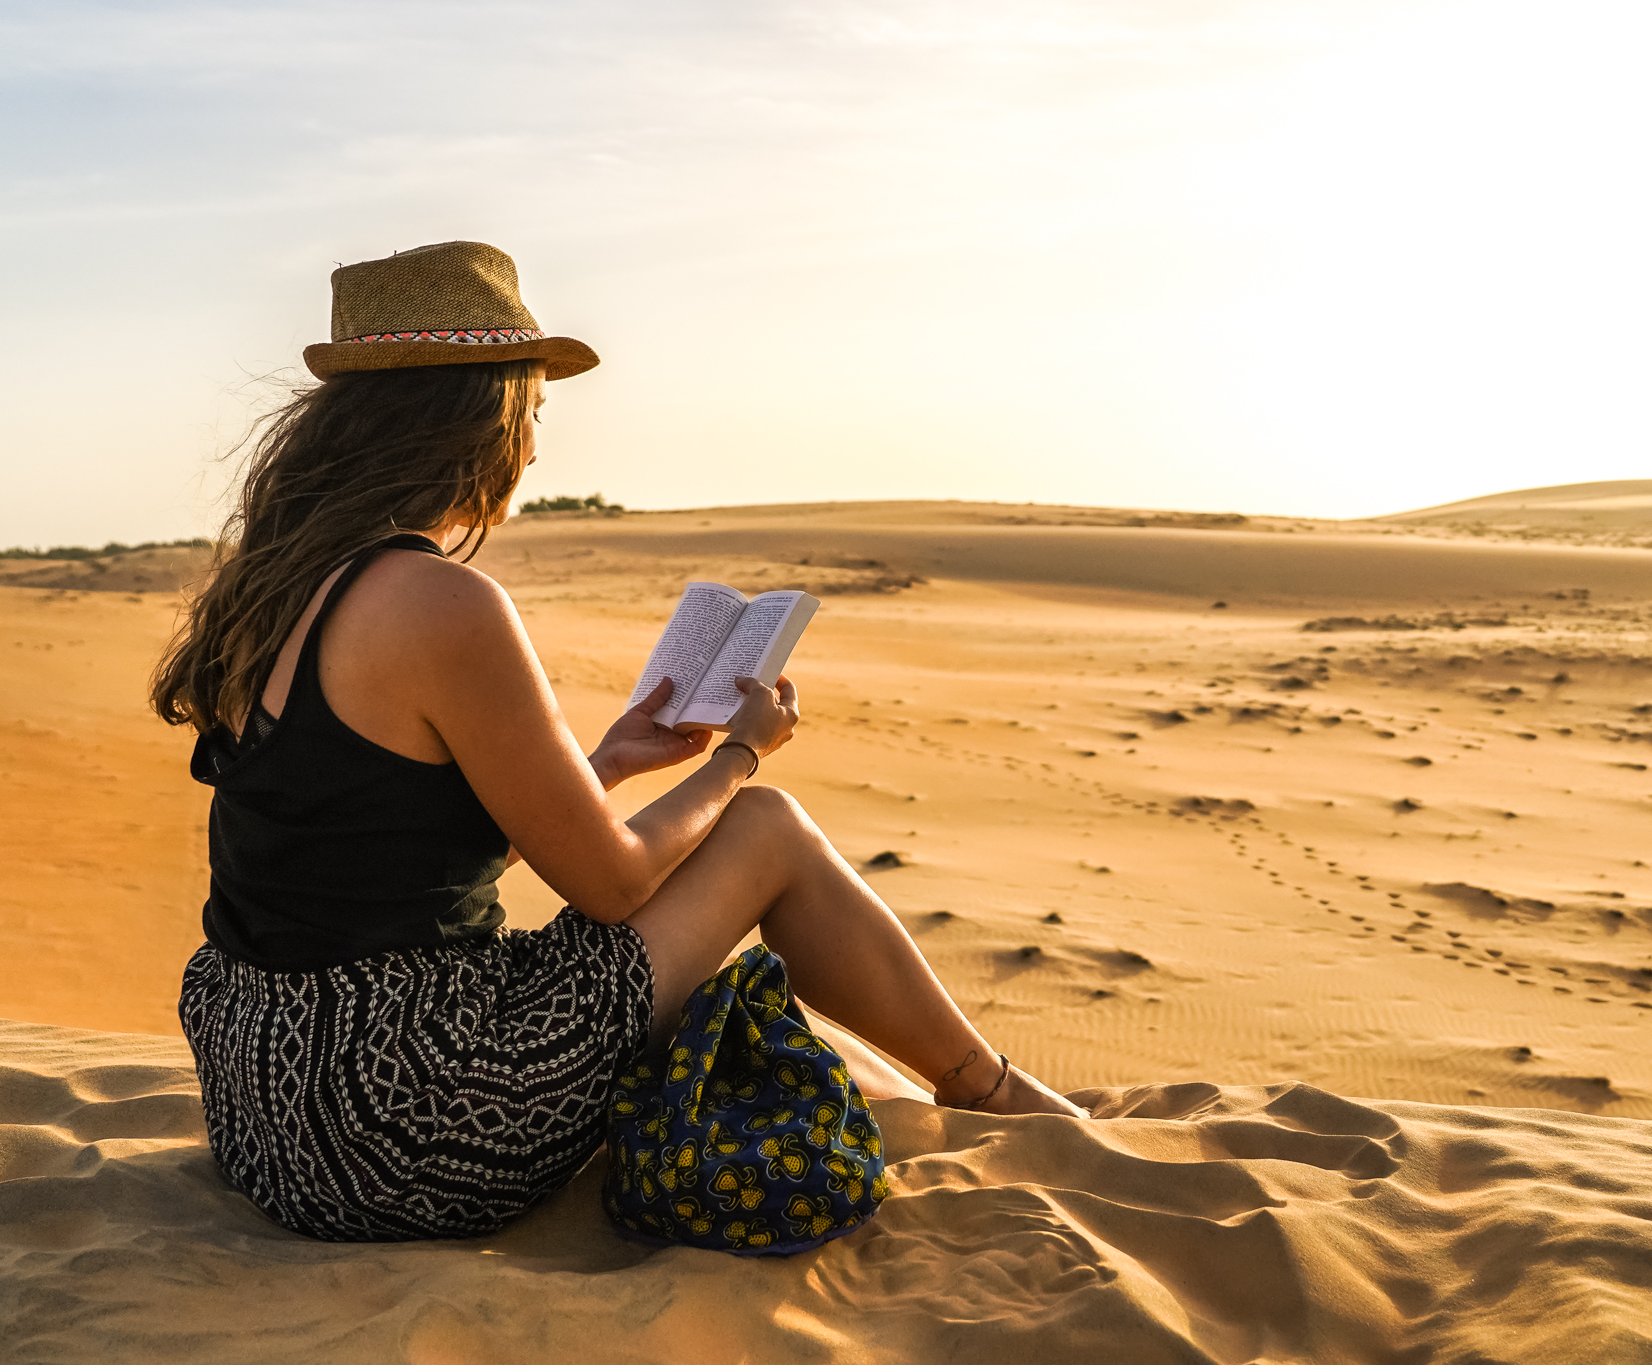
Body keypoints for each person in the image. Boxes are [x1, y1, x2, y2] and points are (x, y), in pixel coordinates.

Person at [151, 241, 1084, 1244]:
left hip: (271, 1115)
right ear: (476, 419)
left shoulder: (274, 591)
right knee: (765, 828)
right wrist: (739, 755)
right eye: (532, 414)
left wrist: (613, 762)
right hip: (401, 1127)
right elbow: (613, 888)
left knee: (694, 889)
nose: (536, 450)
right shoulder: (437, 601)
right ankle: (988, 1093)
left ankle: (954, 1085)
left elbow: (386, 852)